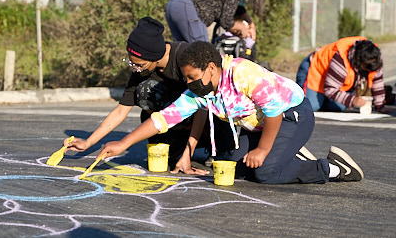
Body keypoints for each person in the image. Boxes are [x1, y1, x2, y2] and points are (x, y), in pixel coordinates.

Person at [97, 41, 364, 184]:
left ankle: (331, 169)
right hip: (264, 126)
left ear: (211, 68)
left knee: (265, 172)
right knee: (232, 165)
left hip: (293, 115)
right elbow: (163, 119)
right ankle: (287, 151)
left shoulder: (243, 73)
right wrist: (123, 143)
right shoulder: (200, 91)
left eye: (192, 77)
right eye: (186, 79)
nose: (188, 84)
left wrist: (261, 151)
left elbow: (274, 112)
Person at [64, 17, 232, 174]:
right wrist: (89, 142)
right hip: (172, 122)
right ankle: (176, 146)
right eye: (132, 63)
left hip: (208, 118)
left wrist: (189, 152)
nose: (135, 68)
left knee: (227, 151)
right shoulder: (141, 70)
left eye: (139, 64)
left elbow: (202, 106)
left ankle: (211, 145)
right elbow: (121, 111)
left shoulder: (186, 59)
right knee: (145, 92)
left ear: (154, 57)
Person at [296, 36, 387, 112]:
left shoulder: (374, 58)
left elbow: (377, 81)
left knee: (340, 106)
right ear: (358, 59)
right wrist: (352, 100)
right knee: (311, 106)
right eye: (367, 67)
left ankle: (322, 98)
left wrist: (380, 106)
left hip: (333, 79)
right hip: (315, 70)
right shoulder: (341, 59)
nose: (369, 70)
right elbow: (330, 89)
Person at [165, 0, 264, 43]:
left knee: (182, 52)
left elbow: (237, 9)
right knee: (203, 53)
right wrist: (242, 28)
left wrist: (251, 23)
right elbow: (226, 21)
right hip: (187, 8)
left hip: (173, 4)